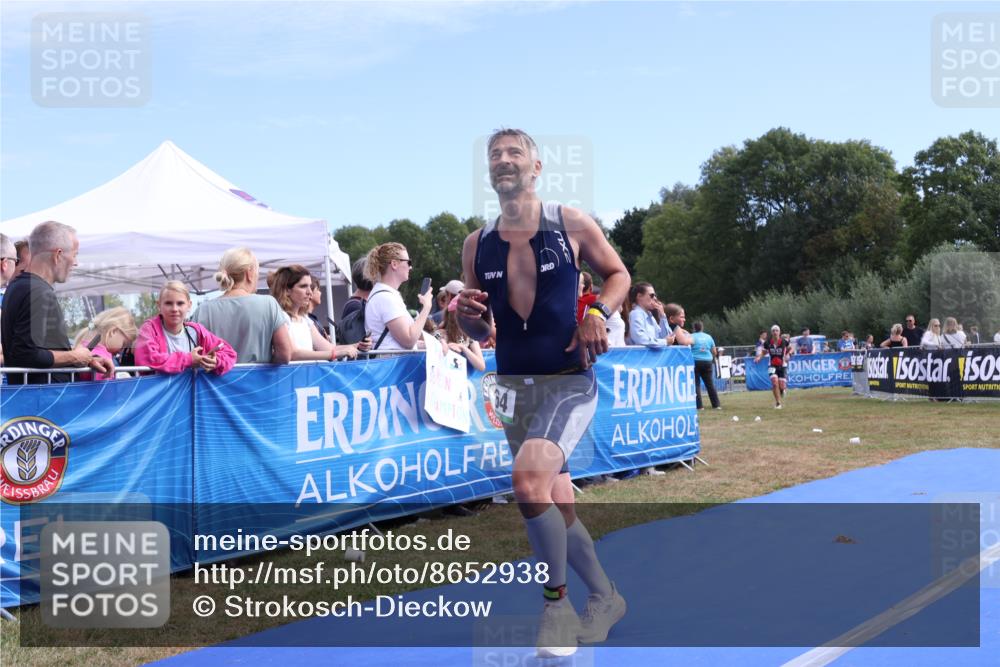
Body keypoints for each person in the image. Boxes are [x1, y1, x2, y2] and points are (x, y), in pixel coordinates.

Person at [456, 128, 630, 658]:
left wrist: (597, 311)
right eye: (495, 156)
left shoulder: (569, 222)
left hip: (567, 380)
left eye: (514, 153)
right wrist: (465, 318)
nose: (503, 161)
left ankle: (556, 606)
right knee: (553, 501)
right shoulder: (476, 242)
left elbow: (618, 274)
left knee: (527, 482)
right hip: (513, 387)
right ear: (490, 173)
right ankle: (605, 595)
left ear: (536, 167)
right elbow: (480, 329)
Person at [191, 247, 293, 364]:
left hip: (216, 381)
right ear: (249, 273)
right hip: (258, 381)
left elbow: (194, 355)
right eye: (257, 272)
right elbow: (285, 354)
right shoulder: (269, 304)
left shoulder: (203, 309)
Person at [135, 281, 236, 375]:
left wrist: (216, 361)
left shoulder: (197, 331)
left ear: (189, 305)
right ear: (159, 305)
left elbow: (229, 353)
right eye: (168, 303)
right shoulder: (149, 329)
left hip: (192, 393)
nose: (174, 309)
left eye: (180, 303)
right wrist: (188, 359)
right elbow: (147, 359)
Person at [269, 264, 367, 361]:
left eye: (310, 287)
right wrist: (335, 354)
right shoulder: (281, 317)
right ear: (287, 290)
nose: (310, 292)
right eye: (303, 286)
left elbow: (329, 347)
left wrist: (357, 345)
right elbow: (293, 353)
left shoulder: (305, 319)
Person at [363, 242, 433, 351]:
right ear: (394, 264)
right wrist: (426, 307)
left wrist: (434, 344)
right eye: (408, 262)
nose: (411, 267)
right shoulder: (386, 297)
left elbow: (394, 343)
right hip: (391, 365)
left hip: (391, 363)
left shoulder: (385, 294)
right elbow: (409, 340)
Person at [73, 307, 138, 380]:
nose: (121, 351)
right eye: (123, 344)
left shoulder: (81, 347)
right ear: (113, 332)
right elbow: (104, 388)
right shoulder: (103, 360)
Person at [437, 295, 485, 371]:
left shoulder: (469, 337)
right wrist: (442, 343)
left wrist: (464, 348)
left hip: (461, 379)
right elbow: (429, 344)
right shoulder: (440, 333)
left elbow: (481, 366)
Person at [755, 324, 792, 409]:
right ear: (771, 333)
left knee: (782, 386)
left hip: (782, 366)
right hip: (771, 365)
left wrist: (788, 354)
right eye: (773, 331)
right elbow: (764, 352)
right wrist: (759, 357)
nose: (775, 332)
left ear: (779, 332)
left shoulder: (784, 341)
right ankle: (778, 403)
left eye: (777, 330)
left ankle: (782, 390)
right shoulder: (767, 342)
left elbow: (791, 348)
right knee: (775, 383)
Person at [691, 321, 721, 410]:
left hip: (695, 361)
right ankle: (716, 405)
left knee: (696, 384)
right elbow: (714, 352)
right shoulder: (709, 337)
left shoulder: (691, 336)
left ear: (694, 328)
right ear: (702, 327)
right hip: (707, 362)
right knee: (710, 384)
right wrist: (711, 358)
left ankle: (699, 406)